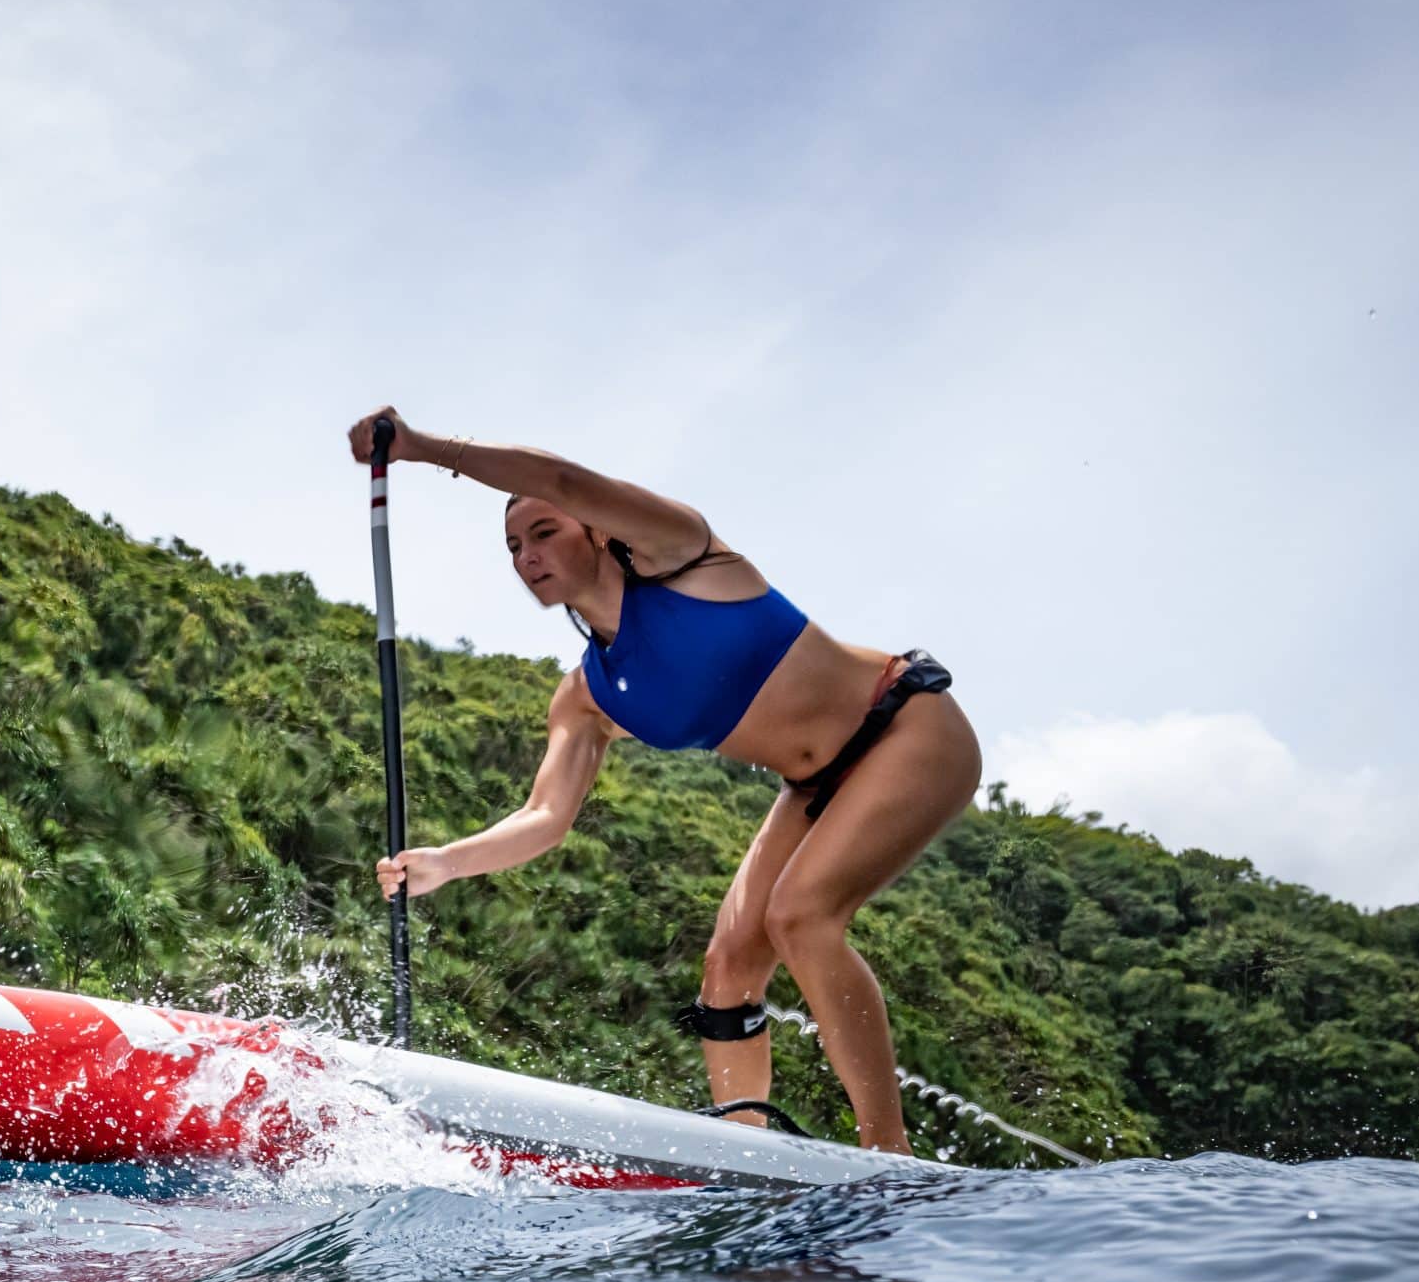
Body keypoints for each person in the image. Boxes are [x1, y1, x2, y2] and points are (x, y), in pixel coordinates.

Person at [348, 406, 980, 1155]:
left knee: (800, 917)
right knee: (727, 973)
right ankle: (747, 1158)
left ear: (599, 531)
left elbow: (558, 477)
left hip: (906, 723)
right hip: (813, 786)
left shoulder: (686, 557)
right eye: (514, 546)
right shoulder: (587, 695)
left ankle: (889, 1154)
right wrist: (445, 863)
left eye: (545, 532)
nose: (526, 555)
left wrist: (421, 448)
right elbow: (546, 816)